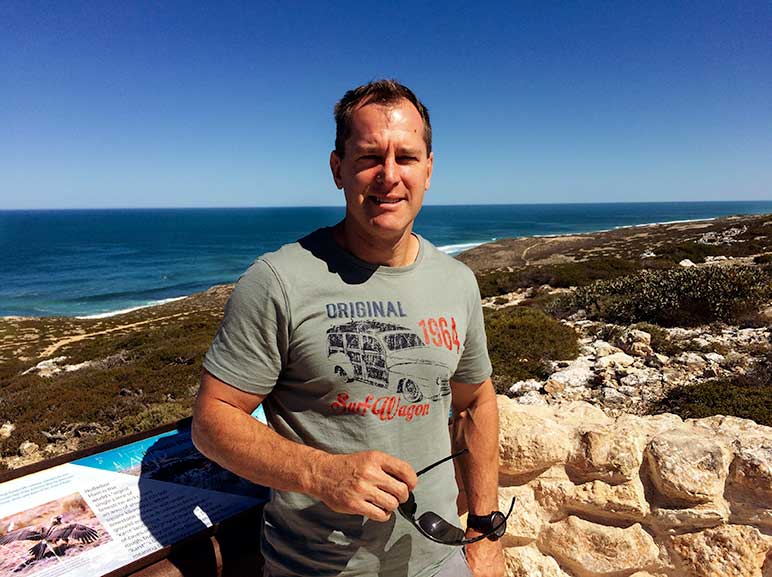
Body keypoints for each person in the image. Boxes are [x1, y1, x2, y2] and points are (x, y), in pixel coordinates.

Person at [191, 79, 504, 577]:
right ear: (338, 169)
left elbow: (475, 402)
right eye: (368, 157)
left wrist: (485, 531)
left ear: (429, 169)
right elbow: (212, 420)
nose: (388, 176)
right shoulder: (278, 280)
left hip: (441, 559)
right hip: (317, 568)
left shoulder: (457, 282)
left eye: (405, 157)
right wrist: (321, 473)